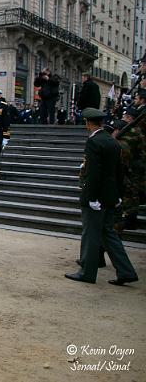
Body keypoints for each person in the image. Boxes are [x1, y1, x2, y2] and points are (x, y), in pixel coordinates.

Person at [64, 108, 138, 286]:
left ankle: (87, 272)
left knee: (91, 234)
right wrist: (118, 194)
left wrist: (91, 197)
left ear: (89, 123)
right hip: (110, 195)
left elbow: (93, 172)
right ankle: (126, 271)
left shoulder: (94, 142)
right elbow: (119, 172)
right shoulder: (112, 142)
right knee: (109, 234)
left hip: (97, 195)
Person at [115, 107, 145, 231]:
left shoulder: (133, 132)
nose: (122, 119)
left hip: (135, 169)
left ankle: (130, 219)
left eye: (124, 117)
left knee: (131, 194)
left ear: (129, 118)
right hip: (135, 168)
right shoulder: (136, 130)